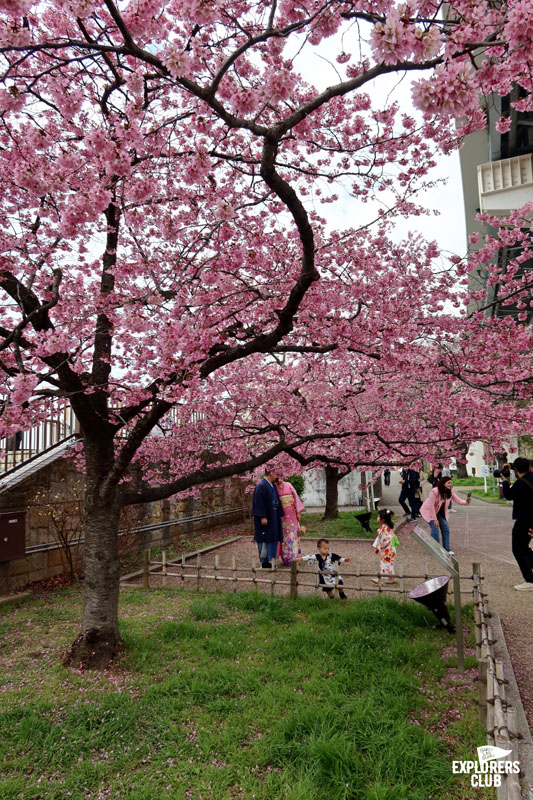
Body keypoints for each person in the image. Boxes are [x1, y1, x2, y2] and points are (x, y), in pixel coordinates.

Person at [500, 458, 533, 591]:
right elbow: (524, 467)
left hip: (524, 520)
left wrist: (504, 481)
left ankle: (530, 581)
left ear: (516, 470)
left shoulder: (520, 484)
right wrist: (513, 466)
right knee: (524, 547)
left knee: (518, 549)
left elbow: (508, 495)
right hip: (531, 519)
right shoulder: (531, 477)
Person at [420, 476, 471, 554]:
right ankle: (436, 549)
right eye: (448, 483)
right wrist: (434, 519)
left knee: (446, 528)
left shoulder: (450, 491)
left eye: (451, 483)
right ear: (443, 483)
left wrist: (466, 502)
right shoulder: (435, 491)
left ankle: (446, 549)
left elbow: (458, 500)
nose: (450, 484)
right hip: (430, 512)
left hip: (440, 513)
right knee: (435, 528)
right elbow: (431, 505)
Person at [252, 465, 283, 568]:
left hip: (273, 515)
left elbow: (277, 500)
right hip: (266, 517)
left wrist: (280, 513)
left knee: (273, 537)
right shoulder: (261, 485)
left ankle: (271, 559)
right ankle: (265, 561)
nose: (277, 476)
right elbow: (258, 503)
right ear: (271, 472)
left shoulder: (272, 485)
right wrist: (262, 516)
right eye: (276, 473)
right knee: (265, 538)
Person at [275, 476, 305, 565]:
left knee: (294, 535)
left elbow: (295, 498)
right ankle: (286, 558)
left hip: (292, 514)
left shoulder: (288, 485)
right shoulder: (274, 487)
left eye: (281, 476)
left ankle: (295, 557)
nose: (280, 479)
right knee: (284, 536)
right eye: (278, 477)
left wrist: (298, 512)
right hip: (282, 516)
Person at [372, 508, 399, 585]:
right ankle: (391, 578)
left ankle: (383, 579)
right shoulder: (388, 527)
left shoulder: (383, 529)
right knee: (389, 563)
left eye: (378, 516)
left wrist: (377, 548)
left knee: (384, 563)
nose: (377, 518)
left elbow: (381, 540)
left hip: (387, 549)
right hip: (392, 548)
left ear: (383, 519)